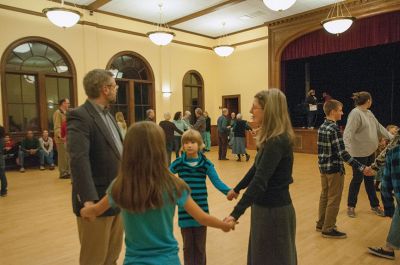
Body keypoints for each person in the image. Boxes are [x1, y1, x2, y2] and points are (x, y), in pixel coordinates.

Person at [80, 122, 234, 265]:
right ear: (160, 149)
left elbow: (94, 211)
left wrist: (86, 208)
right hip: (167, 260)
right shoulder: (174, 185)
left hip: (134, 261)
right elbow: (202, 217)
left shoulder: (120, 185)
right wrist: (223, 225)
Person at [225, 89, 297, 265]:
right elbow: (256, 168)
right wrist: (237, 188)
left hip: (274, 211)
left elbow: (260, 181)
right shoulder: (271, 139)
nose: (250, 110)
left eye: (255, 107)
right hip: (265, 208)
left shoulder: (277, 141)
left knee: (273, 259)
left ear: (268, 110)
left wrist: (235, 214)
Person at [67, 69, 124, 265]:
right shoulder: (80, 116)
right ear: (105, 89)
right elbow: (78, 159)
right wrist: (89, 201)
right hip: (97, 200)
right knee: (94, 259)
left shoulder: (109, 115)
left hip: (116, 197)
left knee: (112, 256)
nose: (116, 89)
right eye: (114, 86)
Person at [170, 129, 232, 265]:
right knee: (187, 247)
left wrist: (228, 191)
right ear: (182, 145)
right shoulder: (178, 163)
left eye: (192, 142)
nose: (189, 145)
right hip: (184, 211)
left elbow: (216, 181)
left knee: (199, 247)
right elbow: (165, 176)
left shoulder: (205, 163)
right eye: (186, 143)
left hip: (202, 209)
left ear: (200, 145)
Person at [316, 99, 371, 239]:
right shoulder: (334, 129)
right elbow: (342, 154)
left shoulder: (322, 126)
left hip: (323, 168)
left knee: (325, 196)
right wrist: (360, 166)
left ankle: (321, 223)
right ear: (333, 111)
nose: (342, 112)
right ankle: (328, 229)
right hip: (334, 169)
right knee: (334, 199)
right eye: (340, 110)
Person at [344, 91, 393, 218]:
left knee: (370, 178)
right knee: (357, 179)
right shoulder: (355, 113)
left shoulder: (369, 113)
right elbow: (348, 133)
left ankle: (375, 206)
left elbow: (379, 128)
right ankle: (351, 206)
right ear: (368, 101)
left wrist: (394, 138)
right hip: (358, 154)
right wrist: (347, 152)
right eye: (371, 100)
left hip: (370, 152)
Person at [367, 143, 400, 260]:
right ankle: (389, 248)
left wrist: (389, 208)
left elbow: (385, 185)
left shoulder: (394, 151)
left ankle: (389, 249)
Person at [53, 98, 71, 179]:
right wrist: (61, 136)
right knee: (62, 157)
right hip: (61, 139)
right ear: (63, 103)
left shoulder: (66, 113)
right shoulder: (58, 113)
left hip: (66, 138)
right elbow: (57, 126)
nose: (69, 105)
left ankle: (67, 171)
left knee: (67, 156)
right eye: (67, 103)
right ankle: (63, 173)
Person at [0, 126, 8, 197]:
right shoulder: (2, 139)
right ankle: (4, 191)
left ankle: (3, 191)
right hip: (1, 158)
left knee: (2, 175)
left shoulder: (1, 140)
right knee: (2, 174)